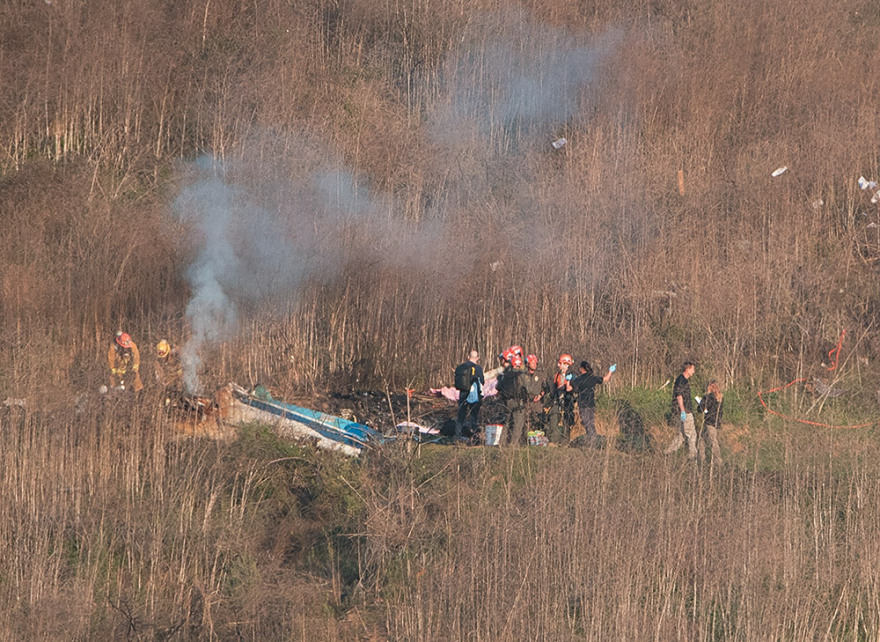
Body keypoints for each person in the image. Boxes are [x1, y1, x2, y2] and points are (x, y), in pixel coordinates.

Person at [570, 360, 616, 448]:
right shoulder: (592, 378)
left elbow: (570, 389)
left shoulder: (579, 379)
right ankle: (592, 441)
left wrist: (569, 380)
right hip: (591, 405)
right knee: (590, 423)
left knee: (588, 425)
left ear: (582, 369)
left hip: (583, 405)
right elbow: (606, 379)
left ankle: (592, 443)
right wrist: (610, 371)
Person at [664, 361, 697, 459]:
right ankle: (692, 455)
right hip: (685, 411)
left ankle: (668, 453)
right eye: (693, 369)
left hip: (683, 411)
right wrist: (683, 411)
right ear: (688, 369)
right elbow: (679, 396)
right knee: (692, 433)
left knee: (681, 434)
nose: (694, 372)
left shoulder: (684, 380)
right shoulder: (681, 381)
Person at [544, 353, 576, 444]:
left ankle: (565, 441)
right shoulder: (557, 375)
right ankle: (554, 440)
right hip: (557, 400)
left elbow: (574, 389)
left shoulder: (573, 376)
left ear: (566, 364)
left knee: (566, 421)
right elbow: (553, 388)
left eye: (560, 363)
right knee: (553, 418)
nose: (558, 365)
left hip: (567, 401)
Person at [454, 350, 485, 441]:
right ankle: (474, 436)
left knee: (461, 416)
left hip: (463, 393)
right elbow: (482, 381)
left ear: (468, 357)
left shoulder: (461, 367)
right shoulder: (478, 368)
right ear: (477, 358)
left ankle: (457, 436)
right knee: (473, 415)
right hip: (474, 395)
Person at [497, 354, 528, 445]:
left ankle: (501, 443)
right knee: (517, 424)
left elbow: (498, 387)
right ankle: (513, 445)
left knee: (506, 423)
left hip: (506, 402)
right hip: (518, 402)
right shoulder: (521, 375)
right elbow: (527, 388)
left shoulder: (504, 374)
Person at [698, 380, 724, 464]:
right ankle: (702, 457)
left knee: (713, 442)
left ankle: (717, 460)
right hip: (716, 421)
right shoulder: (720, 397)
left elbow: (701, 408)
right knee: (702, 439)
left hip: (709, 421)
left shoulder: (709, 396)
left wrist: (704, 398)